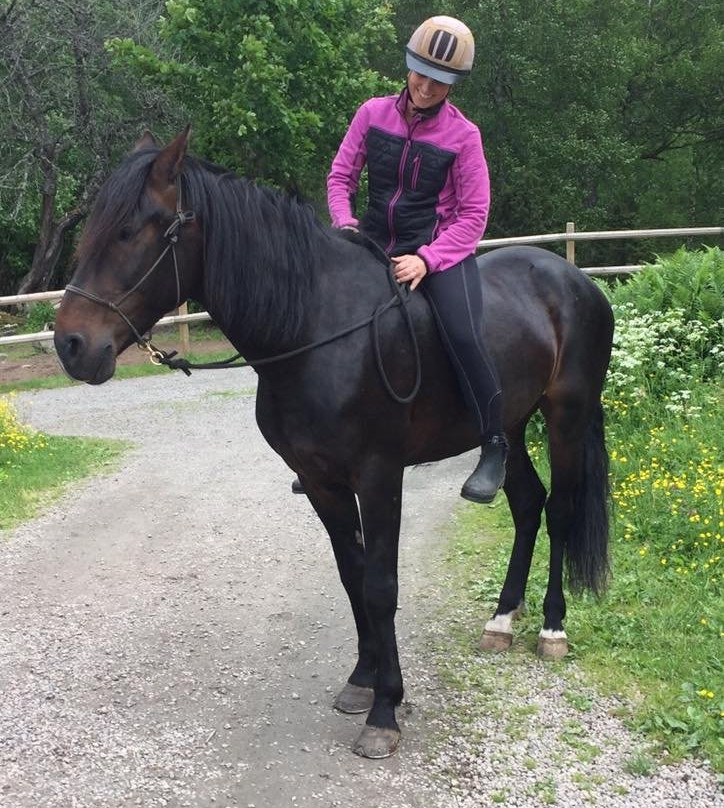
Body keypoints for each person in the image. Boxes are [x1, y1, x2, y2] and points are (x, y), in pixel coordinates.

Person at [295, 15, 507, 503]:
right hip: (369, 242)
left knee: (463, 333)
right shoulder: (371, 113)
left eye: (439, 80)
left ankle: (494, 444)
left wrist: (428, 260)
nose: (427, 86)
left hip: (436, 249)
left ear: (453, 84)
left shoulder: (464, 136)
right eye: (420, 74)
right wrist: (344, 223)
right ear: (408, 67)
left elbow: (475, 214)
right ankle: (323, 443)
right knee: (319, 321)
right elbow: (340, 176)